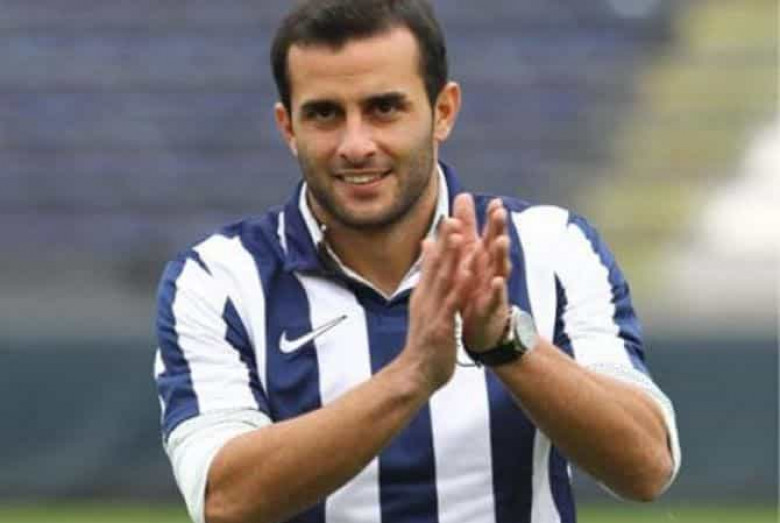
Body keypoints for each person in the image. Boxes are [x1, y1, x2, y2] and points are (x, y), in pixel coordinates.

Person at [153, 1, 681, 522]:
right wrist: (411, 376)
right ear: (288, 127)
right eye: (324, 114)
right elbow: (224, 500)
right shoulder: (219, 280)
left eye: (384, 108)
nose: (356, 144)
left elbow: (647, 466)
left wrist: (507, 344)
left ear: (443, 112)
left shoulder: (553, 246)